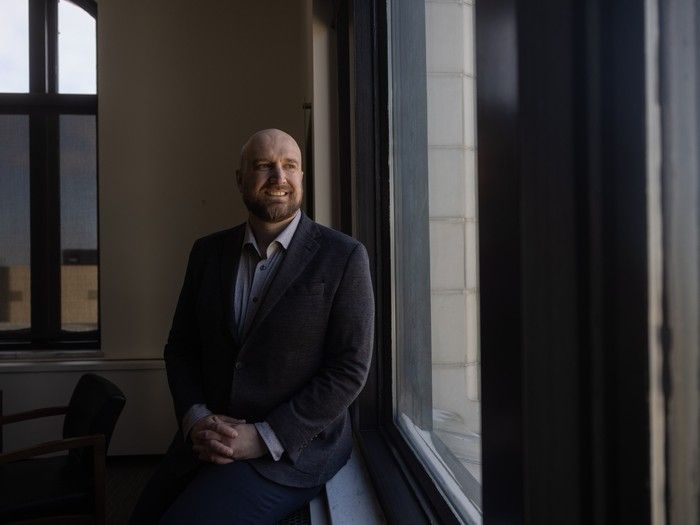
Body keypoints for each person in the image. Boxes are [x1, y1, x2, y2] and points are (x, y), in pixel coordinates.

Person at [130, 129, 375, 524]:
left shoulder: (344, 256)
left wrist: (263, 437)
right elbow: (181, 346)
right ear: (240, 179)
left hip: (291, 452)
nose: (278, 176)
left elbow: (349, 370)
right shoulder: (207, 253)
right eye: (263, 166)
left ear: (300, 177)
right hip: (208, 437)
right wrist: (196, 418)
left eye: (290, 166)